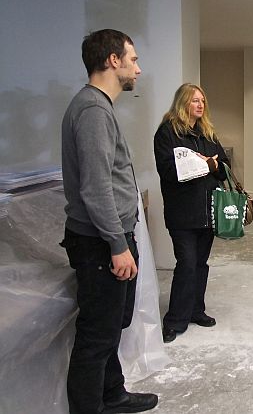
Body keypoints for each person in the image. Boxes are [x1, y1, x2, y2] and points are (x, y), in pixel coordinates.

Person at [60, 29, 158, 413]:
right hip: (100, 243)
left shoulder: (97, 106)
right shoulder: (93, 111)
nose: (138, 68)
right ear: (113, 61)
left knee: (110, 326)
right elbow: (96, 188)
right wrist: (118, 244)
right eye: (133, 59)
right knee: (97, 334)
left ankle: (112, 394)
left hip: (107, 238)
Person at [154, 83, 229, 343]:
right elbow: (168, 170)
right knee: (186, 264)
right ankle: (175, 319)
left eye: (202, 101)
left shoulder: (207, 133)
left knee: (200, 264)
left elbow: (224, 167)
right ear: (183, 102)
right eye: (195, 100)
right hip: (182, 213)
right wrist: (204, 164)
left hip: (207, 211)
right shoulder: (167, 132)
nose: (200, 105)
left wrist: (212, 165)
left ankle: (196, 310)